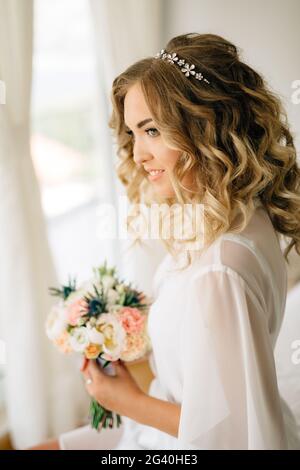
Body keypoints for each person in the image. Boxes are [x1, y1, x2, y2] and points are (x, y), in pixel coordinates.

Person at [28, 32, 300, 450]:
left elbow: (233, 437)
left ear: (205, 129)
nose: (138, 155)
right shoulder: (243, 218)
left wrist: (124, 400)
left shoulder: (220, 267)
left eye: (152, 130)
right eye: (134, 133)